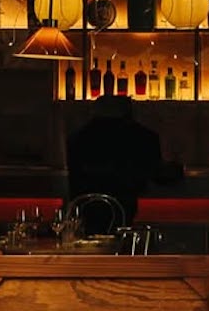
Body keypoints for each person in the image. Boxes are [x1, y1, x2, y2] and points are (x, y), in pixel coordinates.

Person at [66, 95, 174, 227]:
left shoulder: (77, 138)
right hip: (124, 209)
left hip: (84, 210)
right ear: (128, 111)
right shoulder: (144, 137)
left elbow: (74, 177)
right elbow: (155, 173)